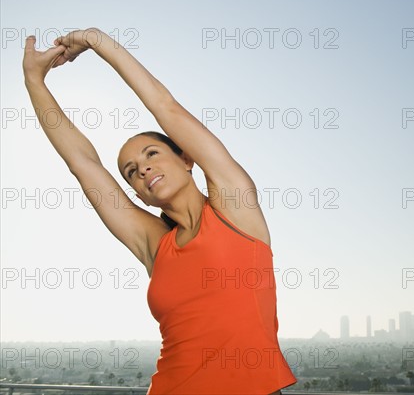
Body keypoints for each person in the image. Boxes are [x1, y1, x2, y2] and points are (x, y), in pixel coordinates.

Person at [22, 28, 298, 394]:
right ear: (138, 194)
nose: (143, 169)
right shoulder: (155, 245)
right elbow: (82, 162)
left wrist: (95, 39)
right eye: (131, 172)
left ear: (186, 158)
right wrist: (34, 80)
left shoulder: (236, 206)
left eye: (151, 154)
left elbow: (164, 106)